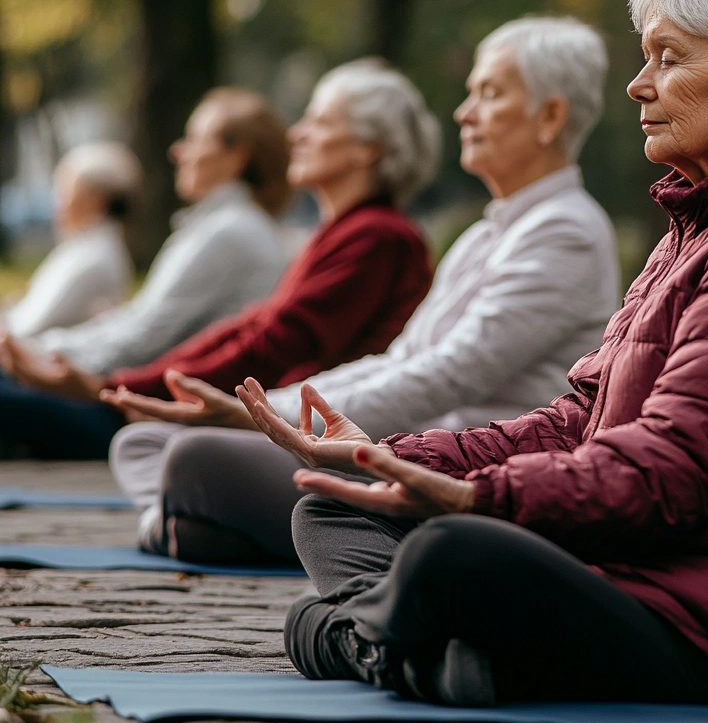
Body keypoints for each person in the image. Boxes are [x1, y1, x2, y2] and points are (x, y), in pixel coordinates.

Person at [232, 0, 708, 709]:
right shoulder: (696, 230)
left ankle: (367, 641)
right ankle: (425, 653)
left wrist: (479, 500)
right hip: (648, 570)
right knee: (337, 502)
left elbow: (669, 471)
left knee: (450, 551)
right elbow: (580, 421)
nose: (638, 86)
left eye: (667, 60)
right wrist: (390, 459)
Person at [104, 16, 620, 566]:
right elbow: (400, 359)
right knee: (146, 443)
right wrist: (261, 413)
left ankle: (188, 526)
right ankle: (191, 528)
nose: (464, 114)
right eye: (469, 94)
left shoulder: (566, 232)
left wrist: (260, 415)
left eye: (488, 95)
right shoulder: (485, 234)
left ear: (550, 117)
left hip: (448, 468)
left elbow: (444, 375)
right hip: (396, 445)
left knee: (194, 456)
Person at [0, 65, 438, 462]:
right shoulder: (345, 233)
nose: (296, 135)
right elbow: (253, 328)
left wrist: (115, 388)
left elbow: (270, 343)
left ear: (368, 150)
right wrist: (120, 386)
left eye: (319, 122)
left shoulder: (377, 237)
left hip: (313, 441)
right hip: (262, 421)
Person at [0, 87, 290, 458]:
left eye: (194, 139)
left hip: (146, 412)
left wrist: (43, 356)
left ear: (237, 158)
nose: (178, 151)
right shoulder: (228, 228)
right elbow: (142, 324)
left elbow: (146, 338)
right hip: (146, 399)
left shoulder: (229, 232)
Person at [3, 142, 141, 337]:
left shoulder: (94, 258)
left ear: (97, 199)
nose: (56, 203)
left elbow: (29, 328)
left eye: (65, 191)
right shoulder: (83, 247)